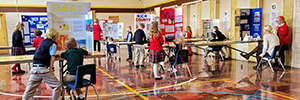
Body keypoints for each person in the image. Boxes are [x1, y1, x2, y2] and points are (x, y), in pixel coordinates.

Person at [22, 28, 62, 100]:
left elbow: (45, 53)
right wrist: (50, 68)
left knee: (29, 90)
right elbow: (52, 57)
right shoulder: (53, 43)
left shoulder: (43, 42)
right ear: (55, 36)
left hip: (34, 68)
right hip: (43, 69)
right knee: (57, 85)